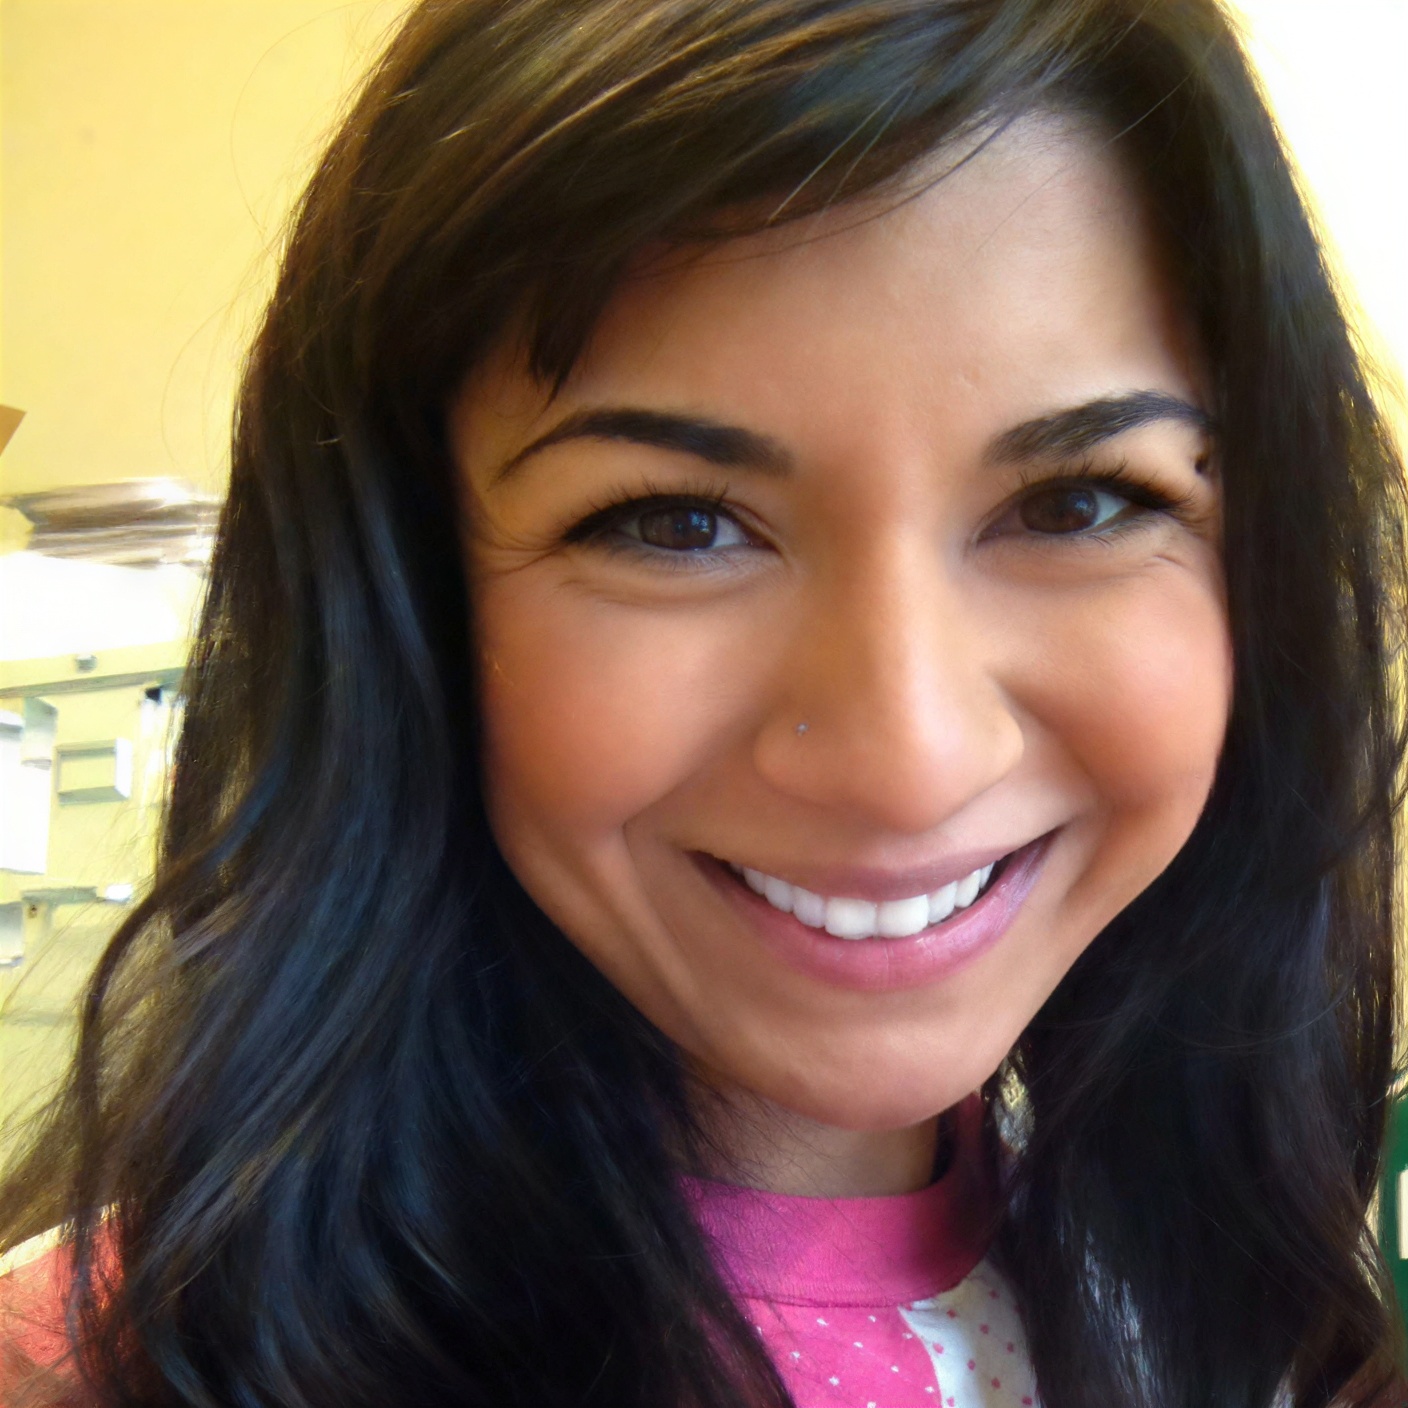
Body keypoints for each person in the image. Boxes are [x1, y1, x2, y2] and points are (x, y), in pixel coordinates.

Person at [2, 0, 1405, 1404]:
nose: (909, 760)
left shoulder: (1223, 1292)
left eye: (1079, 503)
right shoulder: (105, 1364)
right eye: (673, 524)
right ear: (409, 599)